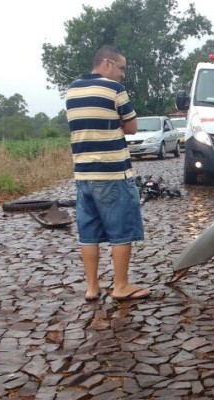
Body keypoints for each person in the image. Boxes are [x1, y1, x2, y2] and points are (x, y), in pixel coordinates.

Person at [65, 45, 150, 302]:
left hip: (83, 175)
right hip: (112, 172)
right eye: (121, 68)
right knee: (121, 230)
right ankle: (121, 285)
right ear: (107, 64)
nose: (123, 74)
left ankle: (92, 287)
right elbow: (133, 127)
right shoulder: (115, 90)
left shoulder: (71, 90)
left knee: (88, 233)